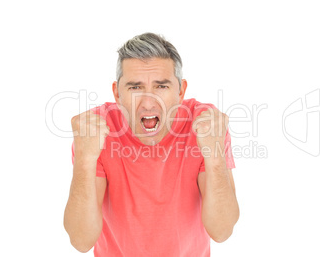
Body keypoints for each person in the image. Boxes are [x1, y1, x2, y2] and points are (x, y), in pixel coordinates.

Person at [63, 32, 240, 256]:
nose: (148, 102)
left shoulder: (206, 124)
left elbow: (222, 231)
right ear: (117, 93)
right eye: (135, 87)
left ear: (181, 92)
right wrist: (84, 161)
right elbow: (81, 241)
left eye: (161, 87)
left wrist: (214, 157)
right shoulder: (96, 128)